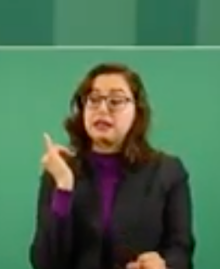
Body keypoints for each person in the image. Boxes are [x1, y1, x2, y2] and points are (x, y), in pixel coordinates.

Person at [30, 62, 194, 269]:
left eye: (115, 101)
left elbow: (181, 252)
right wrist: (64, 185)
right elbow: (44, 262)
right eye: (93, 99)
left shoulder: (167, 171)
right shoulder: (60, 171)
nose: (102, 109)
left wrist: (164, 265)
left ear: (137, 111)